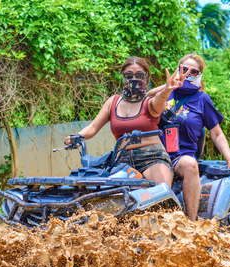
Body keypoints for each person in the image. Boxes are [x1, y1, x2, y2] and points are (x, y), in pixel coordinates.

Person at [65, 56, 190, 187]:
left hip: (152, 157)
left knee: (161, 191)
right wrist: (77, 136)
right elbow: (93, 127)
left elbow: (160, 99)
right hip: (121, 160)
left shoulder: (150, 103)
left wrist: (167, 89)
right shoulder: (112, 102)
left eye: (139, 75)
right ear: (123, 77)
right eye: (129, 75)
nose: (134, 79)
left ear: (146, 78)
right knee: (103, 193)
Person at [147, 53, 230, 222]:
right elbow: (145, 98)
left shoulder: (202, 100)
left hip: (179, 158)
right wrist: (170, 85)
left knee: (190, 165)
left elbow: (217, 133)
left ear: (200, 76)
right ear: (177, 70)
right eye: (184, 70)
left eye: (194, 72)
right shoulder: (165, 93)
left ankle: (192, 224)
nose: (188, 74)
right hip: (153, 155)